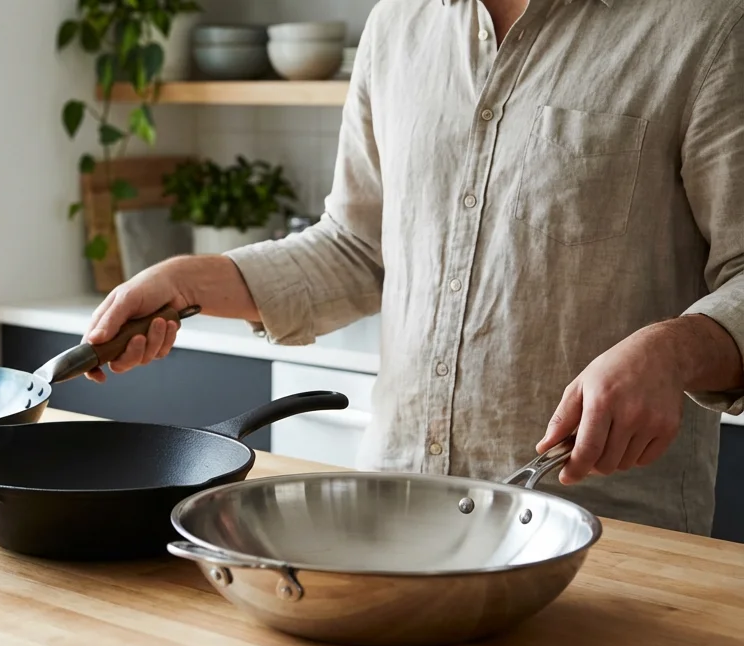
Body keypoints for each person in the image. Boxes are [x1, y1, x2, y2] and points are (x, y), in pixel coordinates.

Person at [81, 0, 744, 535]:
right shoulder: (398, 23)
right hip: (396, 518)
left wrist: (672, 351)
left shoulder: (706, 25)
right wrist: (187, 282)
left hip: (607, 535)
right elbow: (357, 247)